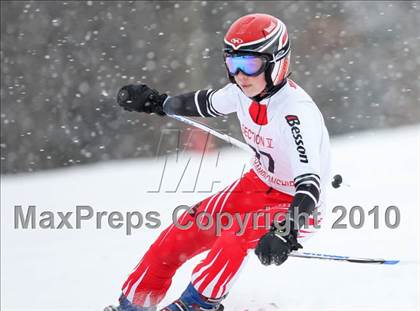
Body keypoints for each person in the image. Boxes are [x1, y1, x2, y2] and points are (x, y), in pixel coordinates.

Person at [106, 13, 331, 311]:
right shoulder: (241, 92)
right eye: (232, 63)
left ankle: (199, 304)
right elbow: (205, 102)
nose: (240, 75)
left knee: (233, 237)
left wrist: (286, 230)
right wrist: (158, 102)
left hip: (297, 206)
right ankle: (135, 303)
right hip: (257, 185)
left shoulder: (295, 114)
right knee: (180, 233)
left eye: (250, 64)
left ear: (277, 61)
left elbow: (309, 186)